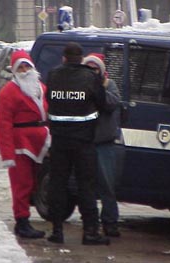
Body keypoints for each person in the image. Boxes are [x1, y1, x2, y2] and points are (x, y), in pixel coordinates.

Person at [46, 42, 110, 245]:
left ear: (64, 58)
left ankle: (57, 231)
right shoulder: (89, 77)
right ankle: (90, 232)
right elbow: (103, 103)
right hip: (83, 141)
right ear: (80, 59)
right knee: (86, 186)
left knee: (58, 184)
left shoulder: (53, 75)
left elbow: (49, 99)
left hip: (59, 141)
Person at [0, 50, 51, 239]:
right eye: (21, 67)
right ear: (14, 70)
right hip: (20, 144)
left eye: (27, 66)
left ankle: (25, 219)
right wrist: (8, 154)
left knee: (34, 183)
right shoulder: (8, 92)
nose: (25, 70)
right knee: (22, 184)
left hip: (41, 142)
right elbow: (2, 125)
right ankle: (22, 222)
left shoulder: (41, 88)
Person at [82, 53, 121, 237]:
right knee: (87, 187)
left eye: (95, 68)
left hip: (105, 144)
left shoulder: (109, 84)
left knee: (107, 186)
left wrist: (99, 90)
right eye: (88, 68)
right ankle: (91, 223)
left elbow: (112, 103)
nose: (92, 71)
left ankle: (110, 223)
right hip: (86, 143)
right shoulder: (80, 86)